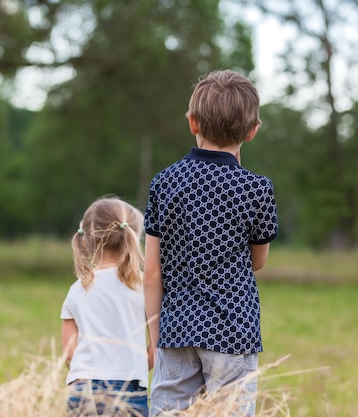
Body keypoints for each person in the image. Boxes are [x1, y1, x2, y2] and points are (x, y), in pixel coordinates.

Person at [143, 70, 278, 416]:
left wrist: (157, 333)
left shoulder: (164, 183)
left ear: (192, 123)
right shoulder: (257, 189)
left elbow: (151, 271)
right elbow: (257, 261)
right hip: (232, 330)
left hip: (177, 327)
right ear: (252, 130)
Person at [61, 196, 152, 417]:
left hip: (82, 390)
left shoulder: (77, 289)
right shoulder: (145, 287)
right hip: (130, 390)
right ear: (133, 235)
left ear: (88, 238)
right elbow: (156, 349)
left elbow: (69, 354)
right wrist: (139, 362)